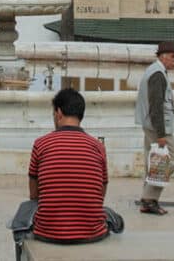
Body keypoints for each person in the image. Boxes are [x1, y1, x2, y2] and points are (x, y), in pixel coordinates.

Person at [26, 88, 114, 244]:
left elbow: (34, 195)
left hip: (46, 232)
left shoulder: (41, 144)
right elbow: (101, 192)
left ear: (58, 113)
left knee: (24, 210)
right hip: (92, 233)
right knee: (112, 216)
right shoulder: (98, 146)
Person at [135, 41, 174, 215]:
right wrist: (161, 134)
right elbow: (156, 107)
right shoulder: (158, 75)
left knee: (154, 163)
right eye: (172, 57)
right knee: (171, 160)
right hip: (158, 128)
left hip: (151, 125)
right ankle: (148, 198)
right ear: (163, 56)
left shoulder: (155, 71)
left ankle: (149, 201)